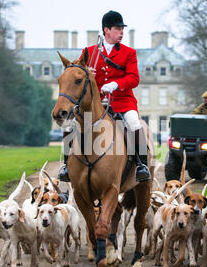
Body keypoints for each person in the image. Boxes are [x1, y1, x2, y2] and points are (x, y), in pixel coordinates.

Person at [58, 10, 150, 183]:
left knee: (133, 123)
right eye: (117, 28)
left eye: (122, 29)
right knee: (69, 125)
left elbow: (134, 78)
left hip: (122, 101)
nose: (121, 32)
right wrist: (88, 72)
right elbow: (78, 75)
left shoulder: (129, 53)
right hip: (95, 102)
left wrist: (116, 84)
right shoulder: (89, 52)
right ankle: (65, 166)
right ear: (106, 30)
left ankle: (141, 165)